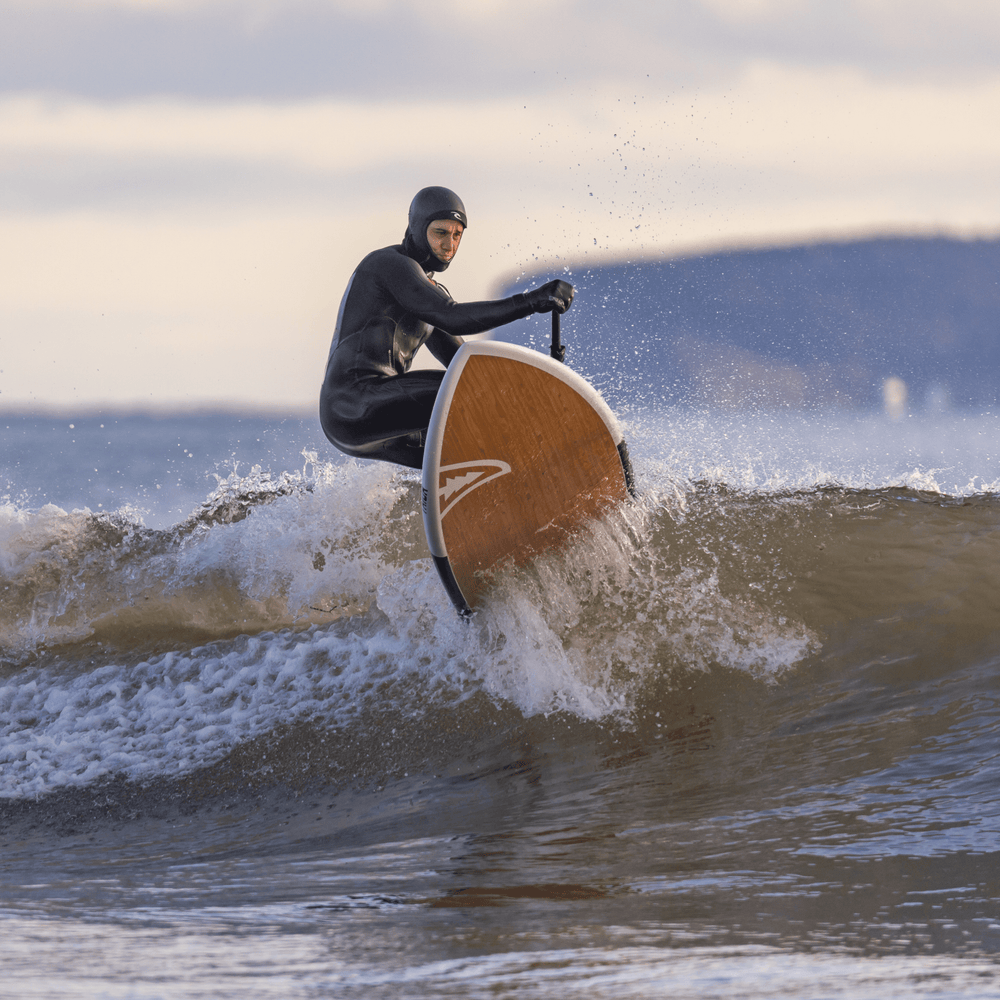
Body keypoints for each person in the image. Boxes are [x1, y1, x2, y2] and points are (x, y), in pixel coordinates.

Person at [319, 186, 574, 469]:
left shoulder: (428, 294)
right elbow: (453, 316)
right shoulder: (388, 265)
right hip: (353, 404)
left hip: (376, 424)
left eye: (457, 235)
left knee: (480, 453)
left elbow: (467, 366)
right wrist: (529, 301)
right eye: (440, 233)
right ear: (416, 228)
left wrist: (541, 381)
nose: (449, 245)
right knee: (464, 393)